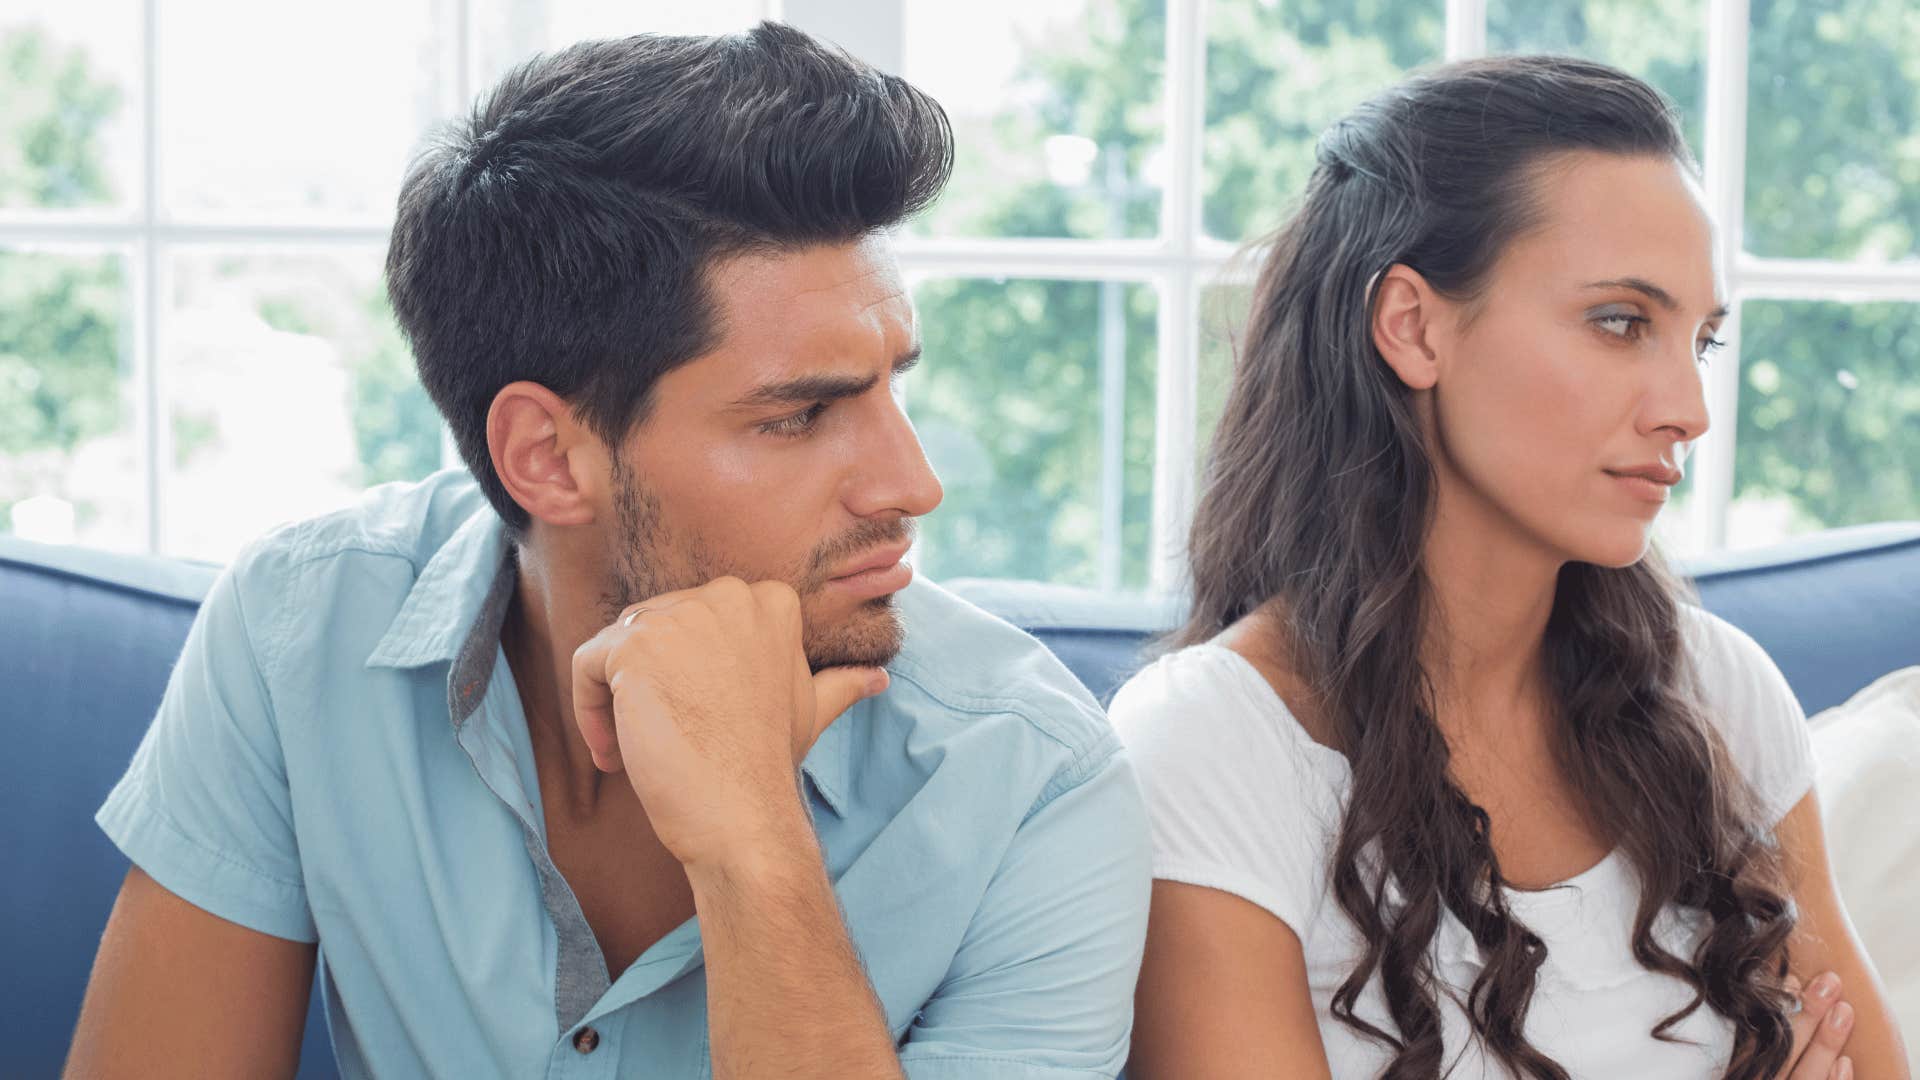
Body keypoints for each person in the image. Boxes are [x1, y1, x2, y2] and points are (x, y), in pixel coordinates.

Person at [66, 23, 1149, 1080]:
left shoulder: (1033, 785)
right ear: (546, 457)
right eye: (799, 417)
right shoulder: (297, 631)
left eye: (891, 384)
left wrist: (753, 848)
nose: (913, 485)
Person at [1113, 56, 1908, 1080]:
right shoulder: (1210, 750)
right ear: (1413, 325)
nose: (1689, 408)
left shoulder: (1719, 691)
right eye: (1621, 322)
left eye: (1699, 340)